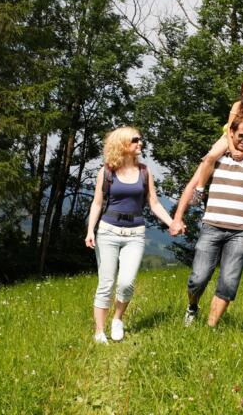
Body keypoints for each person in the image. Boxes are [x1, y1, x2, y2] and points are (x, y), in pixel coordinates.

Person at [170, 116, 243, 327]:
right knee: (198, 279)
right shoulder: (215, 158)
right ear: (231, 134)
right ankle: (192, 306)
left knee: (228, 283)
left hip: (240, 231)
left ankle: (210, 327)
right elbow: (191, 186)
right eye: (241, 136)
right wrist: (178, 218)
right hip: (212, 226)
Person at [85, 126, 173, 343]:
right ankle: (99, 332)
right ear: (122, 144)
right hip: (108, 231)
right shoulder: (106, 172)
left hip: (135, 233)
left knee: (126, 283)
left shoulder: (144, 171)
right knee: (105, 283)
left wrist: (172, 222)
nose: (140, 143)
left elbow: (153, 202)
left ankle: (117, 319)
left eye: (140, 140)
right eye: (135, 140)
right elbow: (97, 203)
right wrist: (90, 230)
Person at [189, 75, 243, 217]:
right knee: (212, 155)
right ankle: (199, 189)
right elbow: (230, 129)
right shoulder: (237, 106)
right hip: (230, 136)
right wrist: (232, 149)